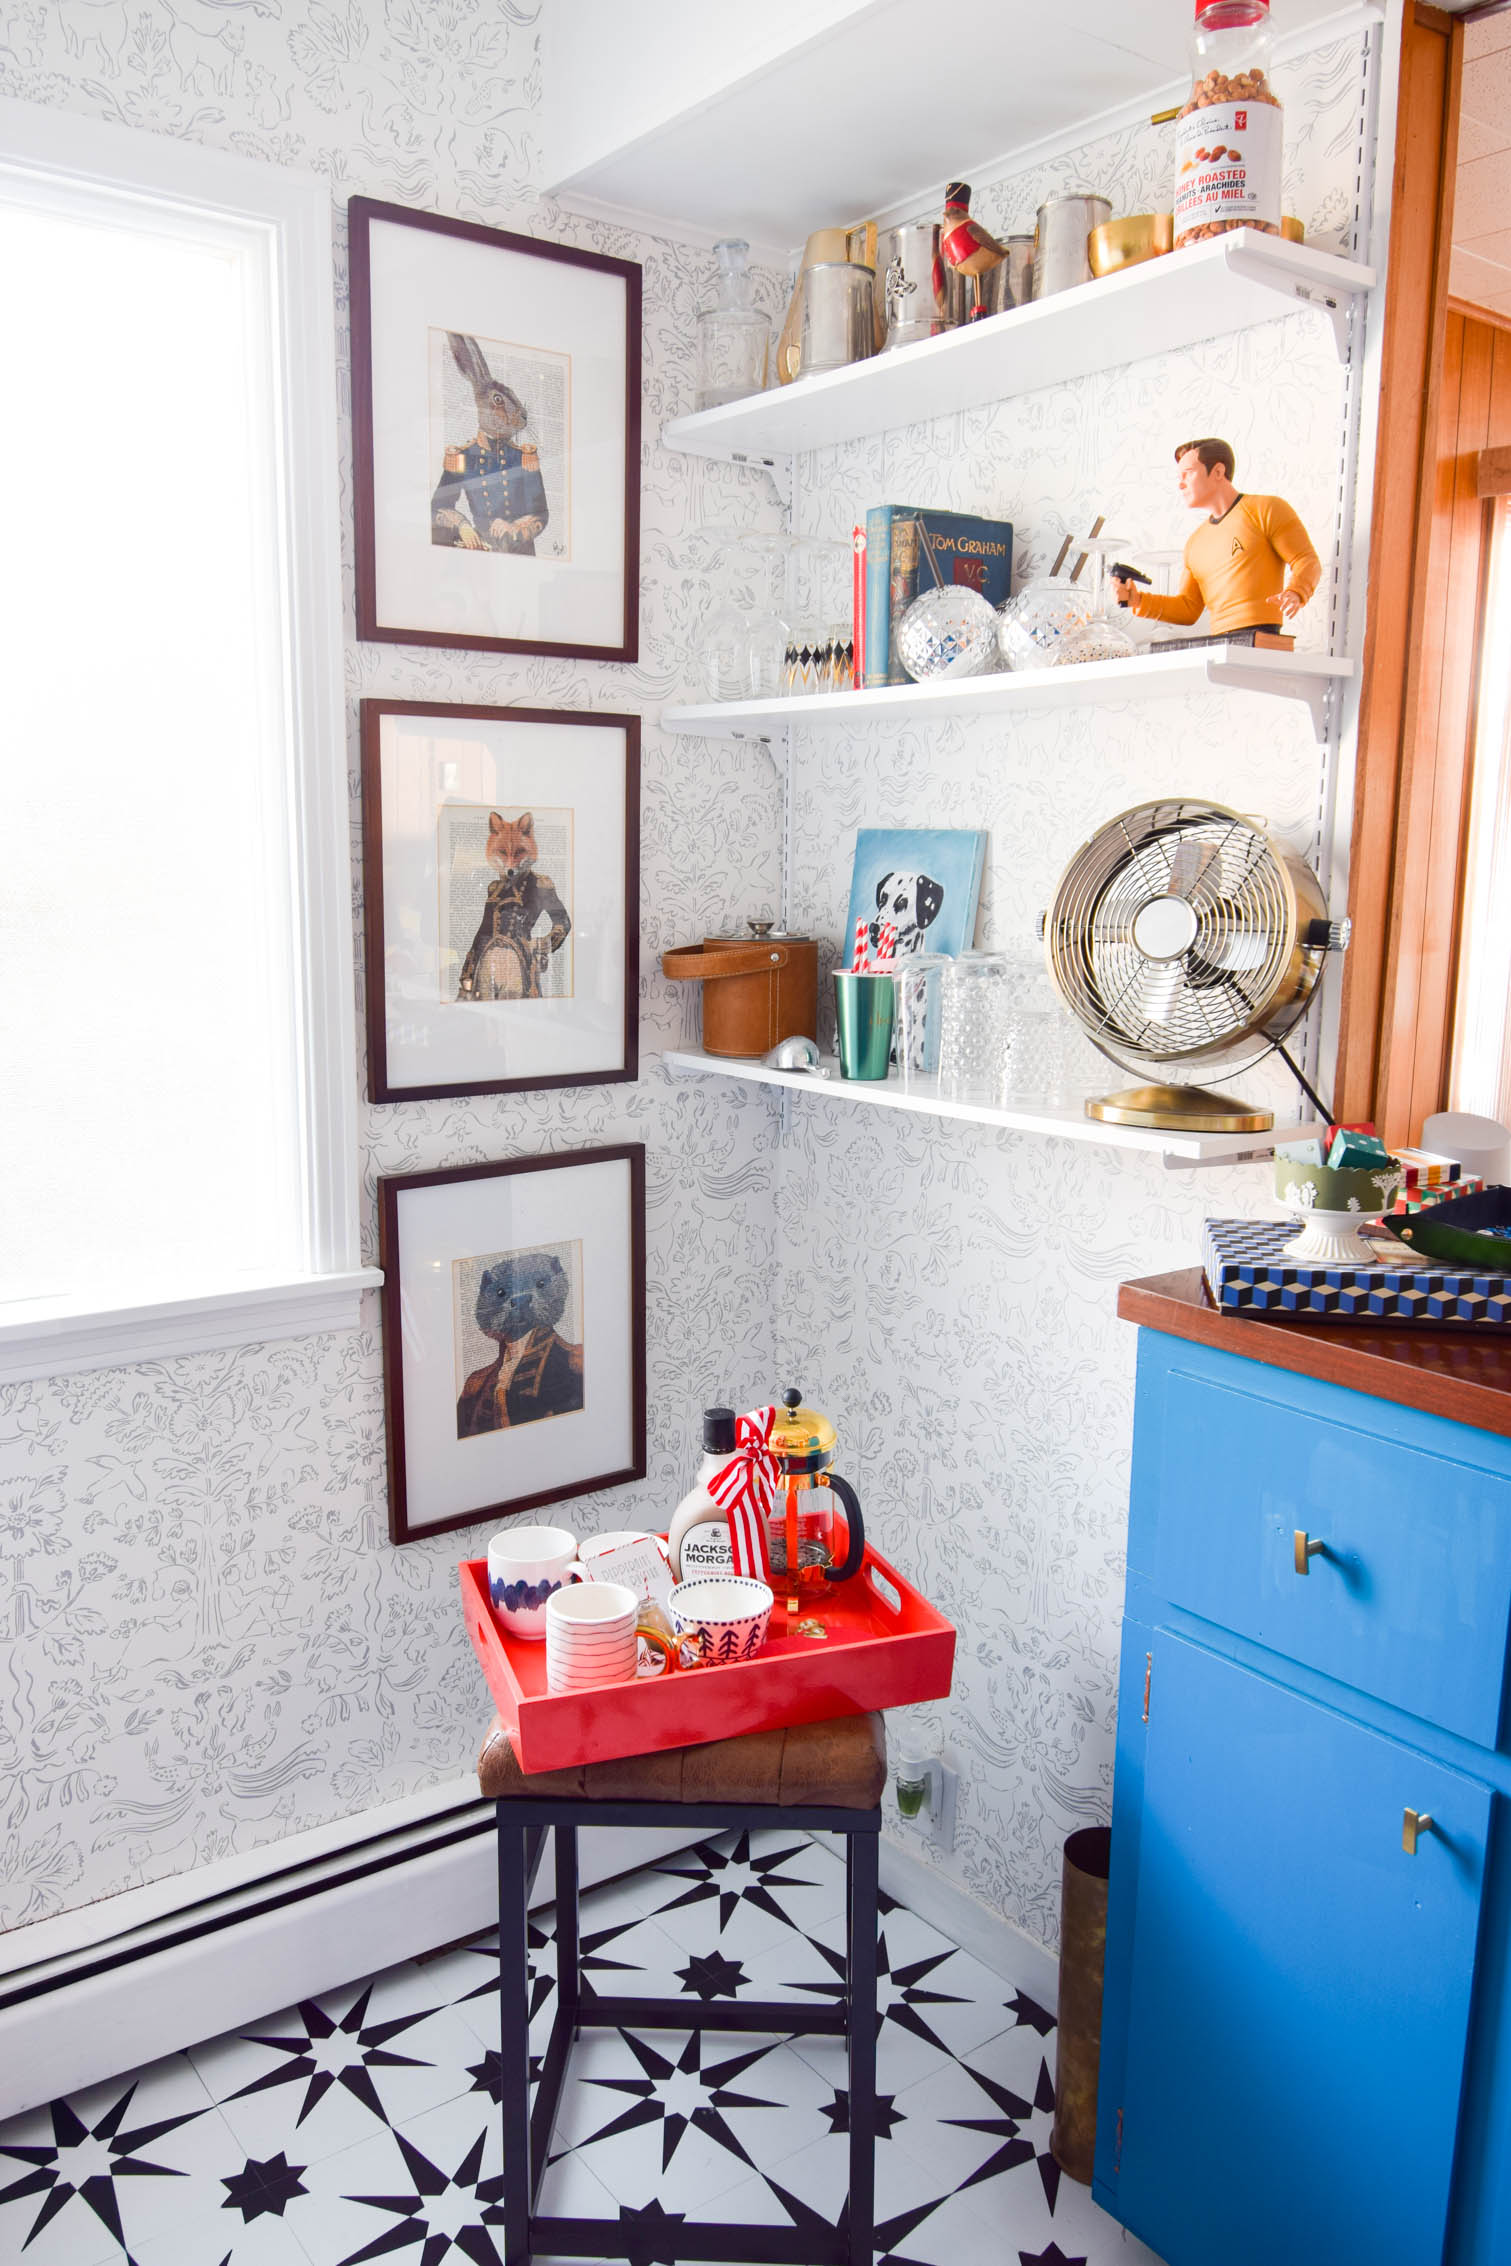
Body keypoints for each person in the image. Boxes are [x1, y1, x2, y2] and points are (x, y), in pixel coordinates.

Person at [1112, 438, 1320, 635]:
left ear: (1218, 471)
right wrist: (1138, 600)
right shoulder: (1195, 543)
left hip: (1262, 637)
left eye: (1189, 473)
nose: (1181, 484)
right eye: (1179, 477)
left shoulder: (1265, 509)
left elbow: (1306, 560)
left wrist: (1296, 592)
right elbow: (1188, 608)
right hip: (1220, 644)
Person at [431, 332, 549, 556]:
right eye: (499, 401)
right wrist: (463, 526)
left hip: (519, 553)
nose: (519, 414)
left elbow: (540, 513)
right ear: (482, 403)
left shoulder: (523, 457)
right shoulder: (463, 457)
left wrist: (515, 528)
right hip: (481, 553)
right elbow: (438, 507)